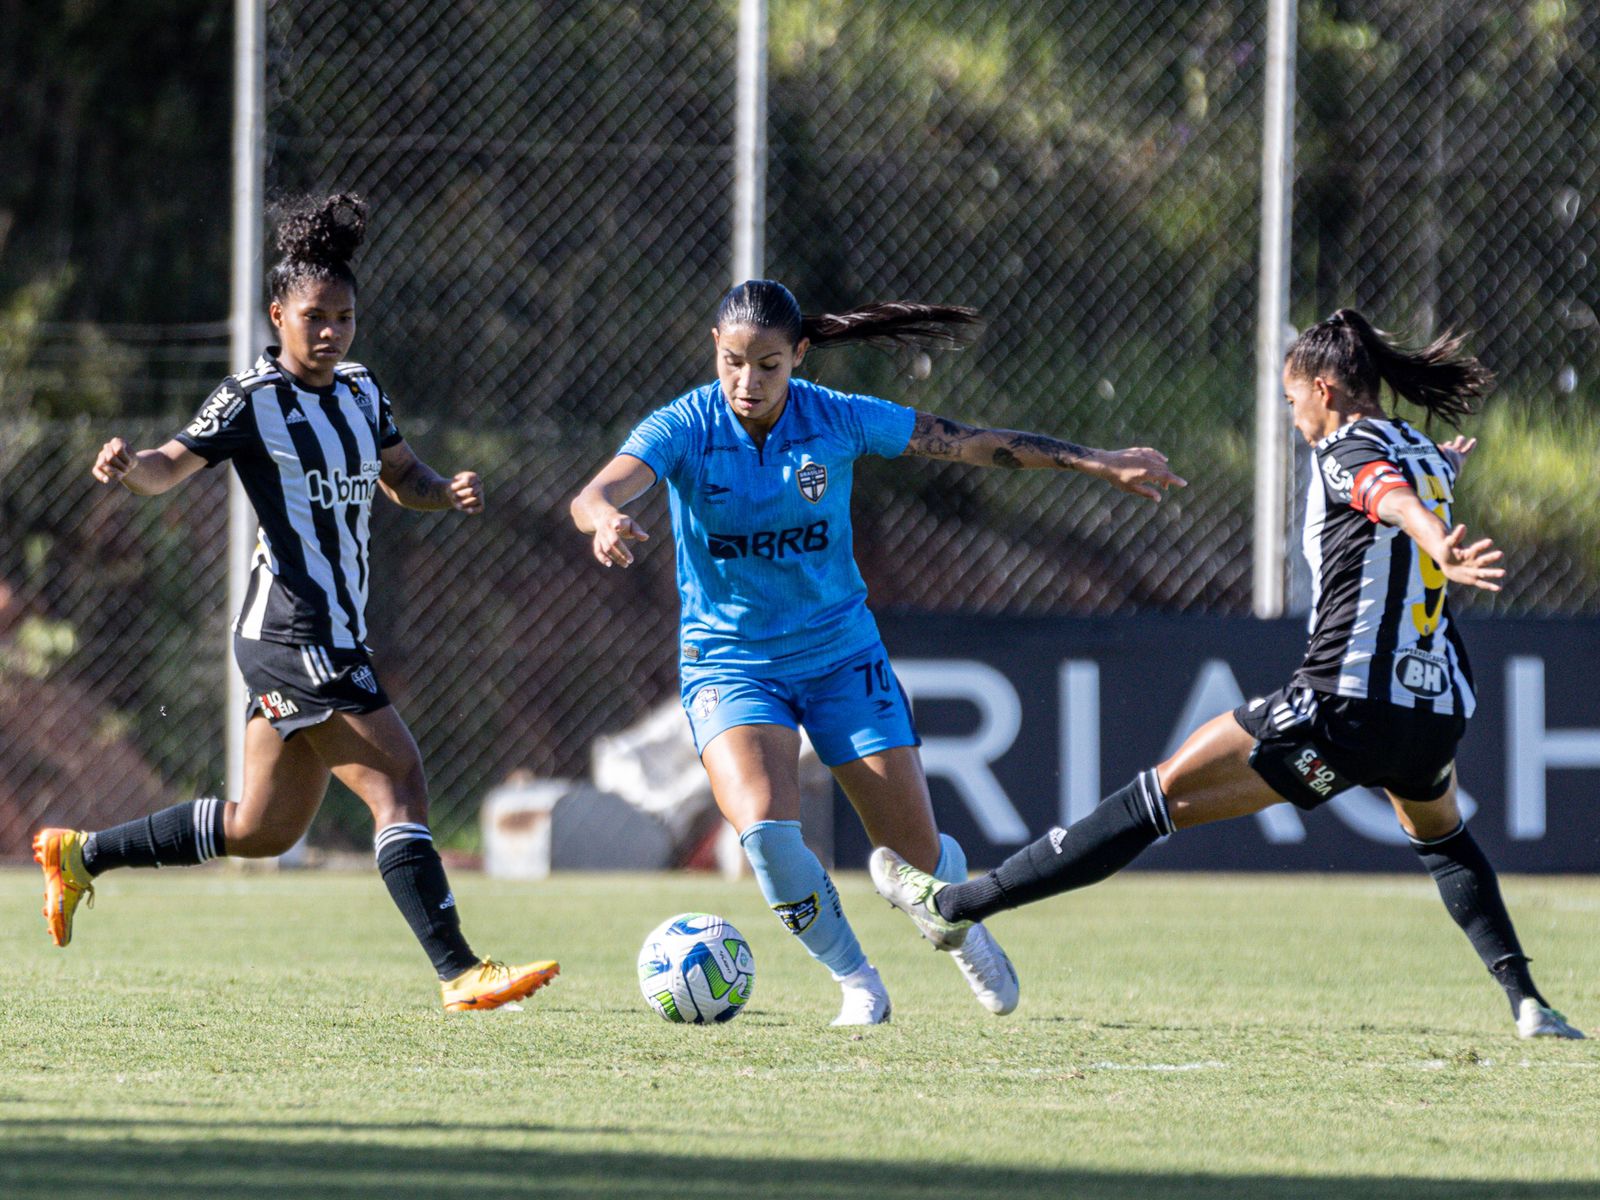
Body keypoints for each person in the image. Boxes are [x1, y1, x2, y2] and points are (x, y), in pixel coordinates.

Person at [871, 308, 1585, 1040]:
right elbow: (1408, 485)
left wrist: (1438, 538)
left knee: (1158, 798)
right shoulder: (1424, 450)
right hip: (1431, 711)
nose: (1291, 413)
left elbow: (1385, 496)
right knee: (1442, 839)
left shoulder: (1345, 449)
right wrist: (1448, 478)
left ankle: (954, 907)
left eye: (1290, 398)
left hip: (1342, 704)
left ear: (1326, 388)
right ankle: (1530, 1002)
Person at [570, 279, 1184, 1024]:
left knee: (915, 863)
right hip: (731, 665)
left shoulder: (837, 418)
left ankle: (958, 925)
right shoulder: (684, 425)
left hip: (839, 656)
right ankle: (857, 983)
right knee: (766, 832)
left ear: (798, 356)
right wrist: (604, 517)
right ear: (714, 350)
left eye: (768, 365)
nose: (748, 382)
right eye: (733, 362)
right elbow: (598, 489)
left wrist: (1094, 460)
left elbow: (967, 443)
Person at [32, 193, 557, 1013]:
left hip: (332, 631)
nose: (331, 333)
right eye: (315, 317)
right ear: (278, 314)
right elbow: (171, 463)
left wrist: (442, 491)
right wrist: (127, 465)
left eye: (344, 318)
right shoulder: (250, 397)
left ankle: (79, 855)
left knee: (261, 831)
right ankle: (460, 970)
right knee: (400, 783)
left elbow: (401, 476)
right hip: (291, 631)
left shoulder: (359, 390)